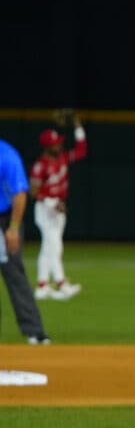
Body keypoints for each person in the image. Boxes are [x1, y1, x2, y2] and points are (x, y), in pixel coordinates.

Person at [29, 112, 87, 300]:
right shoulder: (41, 165)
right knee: (54, 246)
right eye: (56, 143)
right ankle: (62, 285)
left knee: (49, 248)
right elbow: (33, 192)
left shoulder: (62, 158)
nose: (59, 144)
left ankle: (42, 285)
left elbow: (81, 151)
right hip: (45, 209)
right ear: (48, 146)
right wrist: (50, 202)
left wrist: (78, 127)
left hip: (58, 208)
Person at [0, 138, 52, 345]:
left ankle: (34, 331)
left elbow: (20, 193)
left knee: (14, 273)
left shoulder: (6, 155)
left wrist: (13, 228)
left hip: (5, 220)